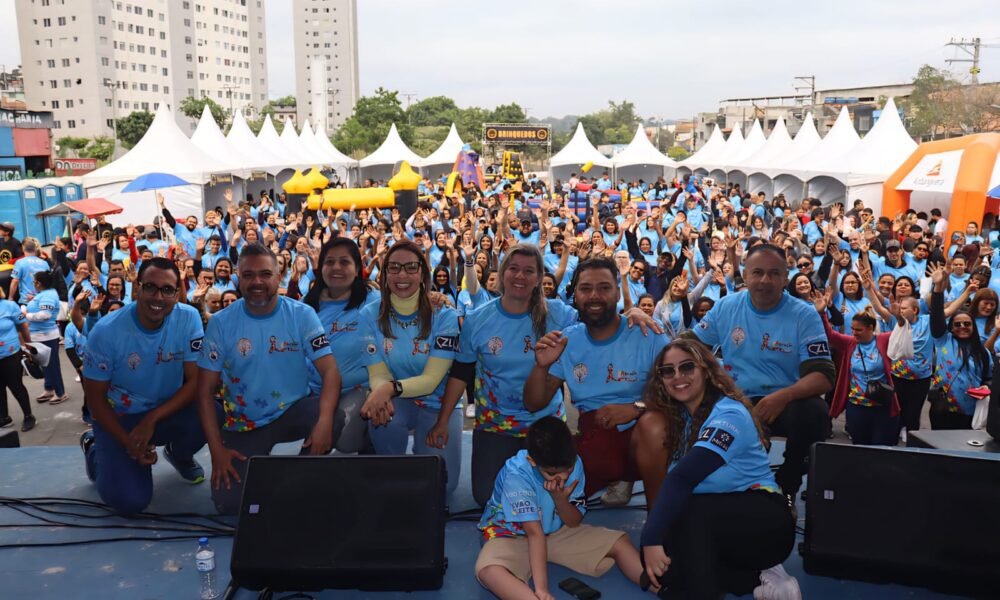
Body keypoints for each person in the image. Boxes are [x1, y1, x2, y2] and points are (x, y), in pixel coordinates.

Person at [639, 339, 800, 600]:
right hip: (720, 523)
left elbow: (683, 478)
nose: (677, 376)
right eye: (668, 371)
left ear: (706, 371)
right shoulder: (684, 419)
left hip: (767, 524)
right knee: (662, 570)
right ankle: (757, 579)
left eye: (687, 367)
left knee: (687, 516)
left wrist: (650, 538)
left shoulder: (728, 414)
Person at [197, 244, 342, 515]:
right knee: (230, 504)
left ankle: (299, 479)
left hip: (293, 411)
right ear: (238, 278)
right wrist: (216, 451)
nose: (257, 282)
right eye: (248, 275)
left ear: (278, 276)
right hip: (244, 423)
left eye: (265, 274)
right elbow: (204, 392)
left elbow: (330, 371)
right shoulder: (221, 323)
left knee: (333, 417)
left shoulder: (302, 315)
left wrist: (324, 422)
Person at [690, 244, 833, 504]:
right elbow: (690, 347)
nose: (765, 280)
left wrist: (783, 396)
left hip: (785, 402)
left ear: (785, 278)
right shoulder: (726, 307)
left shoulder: (804, 315)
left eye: (774, 273)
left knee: (815, 413)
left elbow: (823, 376)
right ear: (745, 275)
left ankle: (787, 484)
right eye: (757, 272)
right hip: (735, 401)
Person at [525, 257, 669, 506]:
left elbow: (681, 392)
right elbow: (534, 403)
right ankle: (615, 477)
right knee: (544, 501)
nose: (594, 296)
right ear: (576, 295)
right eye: (585, 288)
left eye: (604, 288)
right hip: (596, 436)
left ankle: (658, 521)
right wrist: (541, 366)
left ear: (617, 293)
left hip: (644, 431)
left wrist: (636, 409)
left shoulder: (648, 333)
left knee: (654, 427)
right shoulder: (566, 341)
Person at [442, 244, 579, 506]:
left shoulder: (560, 315)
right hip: (495, 424)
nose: (520, 276)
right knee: (487, 497)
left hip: (545, 423)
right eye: (513, 268)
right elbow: (461, 371)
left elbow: (597, 326)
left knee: (551, 499)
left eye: (529, 271)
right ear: (502, 273)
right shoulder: (478, 319)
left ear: (539, 278)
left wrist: (633, 313)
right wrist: (443, 420)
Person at [79, 258, 209, 514]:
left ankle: (179, 453)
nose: (158, 297)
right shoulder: (106, 331)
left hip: (164, 413)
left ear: (177, 293)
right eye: (150, 287)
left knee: (212, 413)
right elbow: (95, 400)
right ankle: (95, 450)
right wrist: (128, 442)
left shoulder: (189, 318)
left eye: (167, 290)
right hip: (120, 417)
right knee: (131, 502)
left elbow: (196, 381)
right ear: (137, 287)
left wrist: (152, 419)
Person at [475, 417, 643, 600]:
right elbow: (534, 533)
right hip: (511, 536)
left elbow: (574, 521)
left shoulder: (574, 462)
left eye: (568, 470)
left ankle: (658, 585)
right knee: (489, 571)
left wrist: (560, 500)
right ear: (532, 461)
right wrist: (542, 590)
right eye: (552, 473)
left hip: (556, 532)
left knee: (619, 542)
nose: (562, 477)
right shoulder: (516, 474)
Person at [358, 240, 462, 497]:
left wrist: (387, 389)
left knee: (442, 487)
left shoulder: (444, 314)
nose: (402, 275)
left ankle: (421, 451)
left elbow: (431, 379)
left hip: (437, 402)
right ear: (384, 274)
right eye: (394, 267)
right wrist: (382, 392)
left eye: (410, 267)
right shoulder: (369, 314)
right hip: (395, 401)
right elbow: (377, 372)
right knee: (383, 414)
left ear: (423, 273)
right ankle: (390, 467)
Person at [301, 238, 375, 454]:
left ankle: (369, 441)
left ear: (357, 268)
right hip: (314, 393)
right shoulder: (308, 304)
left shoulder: (374, 300)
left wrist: (436, 299)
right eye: (329, 262)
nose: (336, 267)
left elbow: (410, 306)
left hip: (359, 389)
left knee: (344, 438)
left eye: (344, 262)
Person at [818, 299, 908, 446]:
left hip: (882, 407)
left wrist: (899, 317)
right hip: (857, 406)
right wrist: (822, 313)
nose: (854, 333)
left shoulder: (884, 340)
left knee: (881, 449)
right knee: (860, 448)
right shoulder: (849, 342)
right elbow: (829, 335)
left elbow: (902, 331)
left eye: (858, 330)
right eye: (852, 329)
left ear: (871, 328)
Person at [928, 264, 992, 430]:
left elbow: (989, 378)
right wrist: (938, 288)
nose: (962, 326)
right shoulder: (943, 340)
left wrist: (987, 386)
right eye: (957, 324)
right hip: (942, 408)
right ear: (951, 327)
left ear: (973, 327)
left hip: (969, 412)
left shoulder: (983, 352)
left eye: (967, 324)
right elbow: (937, 316)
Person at [23, 271, 68, 405]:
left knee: (52, 365)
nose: (33, 284)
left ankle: (60, 393)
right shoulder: (43, 294)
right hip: (38, 335)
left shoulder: (48, 295)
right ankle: (49, 389)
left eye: (34, 282)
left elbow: (45, 315)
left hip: (46, 336)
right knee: (44, 365)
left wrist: (26, 314)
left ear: (38, 283)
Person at [0, 297, 34, 431]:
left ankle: (28, 416)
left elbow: (23, 325)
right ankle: (3, 417)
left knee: (16, 386)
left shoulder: (10, 306)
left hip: (11, 354)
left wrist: (29, 347)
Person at [9, 239, 50, 305]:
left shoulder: (20, 263)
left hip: (27, 301)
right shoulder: (44, 263)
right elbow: (49, 282)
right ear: (35, 248)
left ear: (23, 249)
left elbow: (15, 281)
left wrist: (10, 298)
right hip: (42, 300)